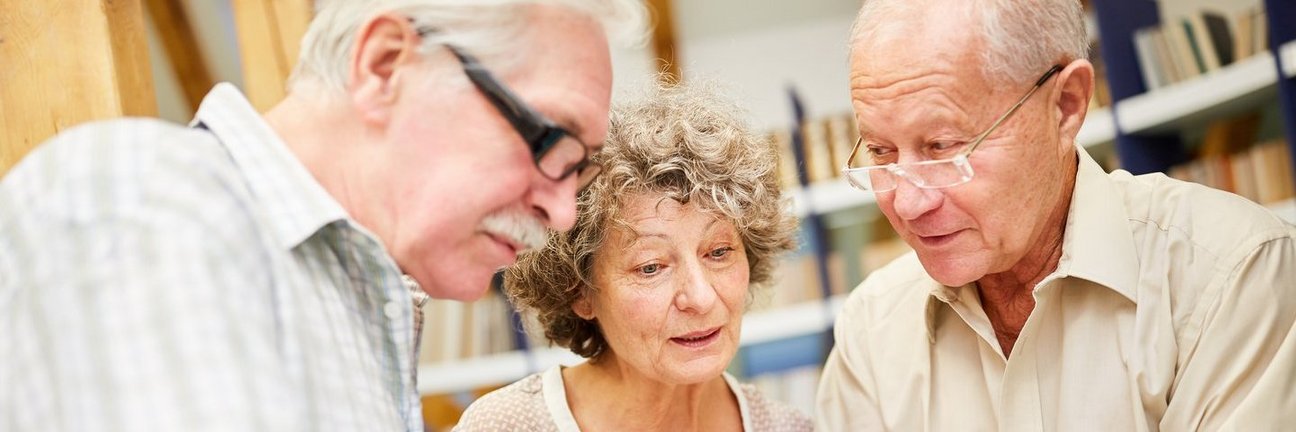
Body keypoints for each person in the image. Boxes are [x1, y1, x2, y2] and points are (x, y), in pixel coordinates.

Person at [0, 0, 644, 430]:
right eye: (549, 141)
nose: (562, 213)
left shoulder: (357, 298)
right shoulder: (142, 202)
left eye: (579, 168)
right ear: (384, 65)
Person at [817, 0, 1296, 430]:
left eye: (943, 148)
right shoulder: (872, 328)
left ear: (1066, 106)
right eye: (880, 152)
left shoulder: (1233, 274)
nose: (907, 203)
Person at [454, 83, 810, 431]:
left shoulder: (787, 426)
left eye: (718, 252)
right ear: (580, 292)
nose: (700, 298)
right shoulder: (507, 426)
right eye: (651, 267)